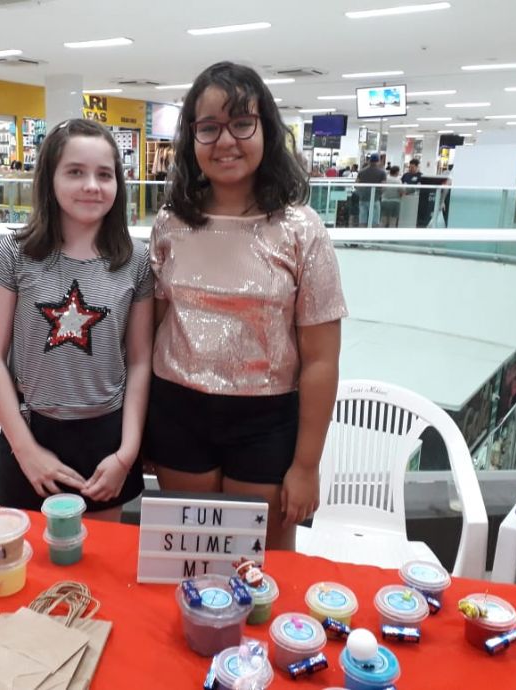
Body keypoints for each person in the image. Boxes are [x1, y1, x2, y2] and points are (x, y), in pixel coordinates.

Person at [144, 61, 347, 550]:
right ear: (192, 138)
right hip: (177, 411)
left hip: (267, 420)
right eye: (209, 127)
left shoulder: (301, 229)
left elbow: (321, 360)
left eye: (241, 123)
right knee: (189, 557)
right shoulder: (171, 223)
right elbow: (152, 329)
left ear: (266, 130)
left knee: (262, 567)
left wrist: (306, 465)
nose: (225, 141)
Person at [0, 118, 153, 522]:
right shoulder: (14, 253)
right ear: (50, 179)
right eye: (75, 172)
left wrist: (127, 453)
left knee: (100, 553)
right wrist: (25, 450)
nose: (92, 185)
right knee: (29, 551)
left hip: (106, 439)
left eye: (104, 174)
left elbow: (140, 361)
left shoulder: (136, 260)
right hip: (31, 430)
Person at [356, 153, 387, 227]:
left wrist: (361, 193)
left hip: (363, 198)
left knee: (362, 221)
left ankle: (361, 234)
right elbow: (383, 187)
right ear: (378, 161)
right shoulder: (382, 172)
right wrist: (379, 194)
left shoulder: (361, 172)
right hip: (375, 199)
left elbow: (356, 184)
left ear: (369, 160)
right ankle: (372, 234)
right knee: (374, 222)